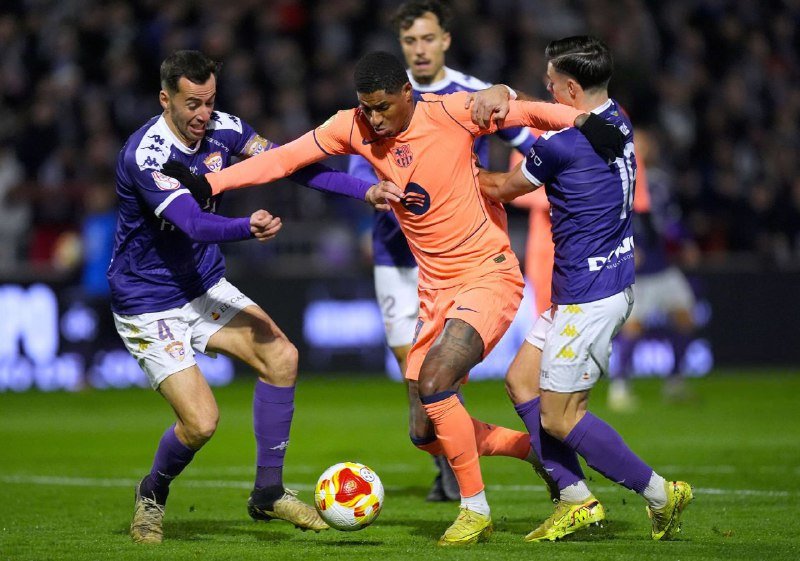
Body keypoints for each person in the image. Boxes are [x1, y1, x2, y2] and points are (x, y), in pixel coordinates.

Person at [162, 50, 625, 546]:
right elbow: (284, 158)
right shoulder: (351, 125)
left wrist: (583, 120)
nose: (375, 119)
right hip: (435, 290)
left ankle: (474, 509)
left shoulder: (450, 111)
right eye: (367, 108)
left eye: (383, 107)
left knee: (437, 380)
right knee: (424, 433)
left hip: (488, 274)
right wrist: (210, 182)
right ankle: (535, 452)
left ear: (407, 93)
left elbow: (526, 111)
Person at [111, 50, 398, 544]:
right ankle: (152, 492)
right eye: (192, 104)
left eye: (210, 101)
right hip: (148, 300)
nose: (204, 114)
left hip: (201, 286)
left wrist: (363, 190)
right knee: (201, 424)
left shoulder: (225, 129)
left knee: (282, 357)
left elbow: (290, 164)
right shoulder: (146, 155)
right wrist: (247, 226)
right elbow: (192, 222)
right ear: (165, 99)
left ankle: (268, 492)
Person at [472, 36, 693, 542]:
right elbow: (544, 118)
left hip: (589, 296)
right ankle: (576, 499)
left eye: (552, 82)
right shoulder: (617, 120)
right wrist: (508, 97)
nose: (546, 89)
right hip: (591, 285)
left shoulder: (564, 145)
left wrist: (457, 171)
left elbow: (501, 188)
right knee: (521, 382)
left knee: (559, 417)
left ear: (571, 88)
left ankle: (661, 493)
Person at [347, 0, 537, 503]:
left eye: (428, 39)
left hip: (462, 253)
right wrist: (371, 194)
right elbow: (357, 166)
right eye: (410, 41)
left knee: (444, 367)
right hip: (396, 253)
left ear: (446, 40)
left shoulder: (470, 92)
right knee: (411, 369)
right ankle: (446, 456)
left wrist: (516, 183)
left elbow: (526, 138)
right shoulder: (379, 101)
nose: (420, 49)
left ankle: (457, 472)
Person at [609, 128, 698, 410]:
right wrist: (627, 248)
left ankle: (675, 382)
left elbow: (670, 219)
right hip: (638, 271)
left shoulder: (659, 181)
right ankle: (620, 386)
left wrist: (685, 242)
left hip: (663, 265)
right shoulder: (618, 179)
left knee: (685, 317)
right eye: (640, 144)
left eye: (648, 144)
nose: (645, 149)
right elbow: (612, 220)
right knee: (633, 327)